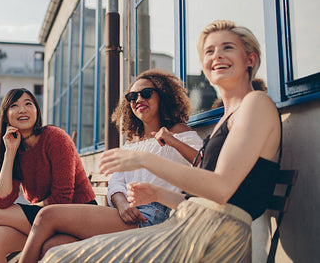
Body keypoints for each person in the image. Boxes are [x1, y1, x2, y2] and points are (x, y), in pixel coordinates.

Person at [39, 20, 281, 263]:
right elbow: (200, 200)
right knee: (57, 253)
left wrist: (143, 158)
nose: (216, 55)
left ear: (250, 59)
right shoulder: (228, 117)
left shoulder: (256, 103)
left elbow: (221, 189)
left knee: (60, 258)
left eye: (227, 47)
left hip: (214, 237)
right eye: (209, 51)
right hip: (190, 225)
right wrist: (157, 194)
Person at [18, 69, 203, 263]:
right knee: (53, 245)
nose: (139, 99)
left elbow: (204, 164)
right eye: (132, 96)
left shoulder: (178, 131)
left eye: (146, 93)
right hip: (125, 214)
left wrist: (172, 140)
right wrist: (122, 204)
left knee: (47, 215)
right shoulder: (132, 142)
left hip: (155, 216)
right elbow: (116, 181)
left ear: (162, 95)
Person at [0, 88, 96, 262]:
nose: (22, 109)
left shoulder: (55, 138)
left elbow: (62, 199)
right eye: (14, 105)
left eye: (28, 104)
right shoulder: (17, 149)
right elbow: (3, 200)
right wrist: (10, 152)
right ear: (6, 116)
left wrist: (38, 205)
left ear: (37, 111)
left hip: (79, 217)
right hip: (47, 218)